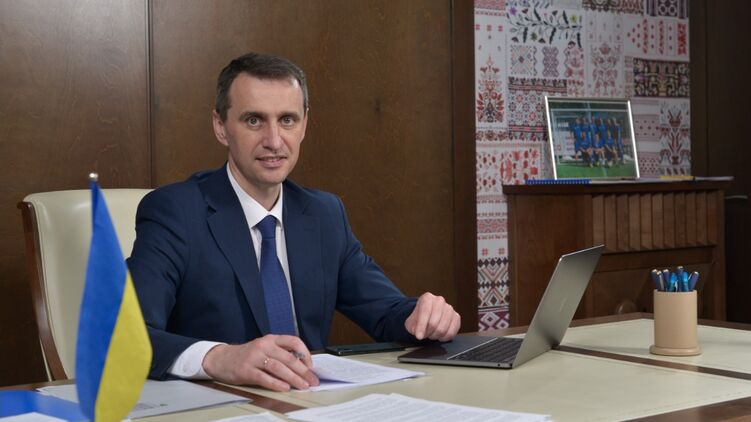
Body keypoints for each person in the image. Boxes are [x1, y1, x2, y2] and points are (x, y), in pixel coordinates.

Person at [127, 52, 461, 392]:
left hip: (309, 402)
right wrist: (220, 357)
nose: (274, 141)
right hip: (222, 404)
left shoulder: (324, 214)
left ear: (304, 125)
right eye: (254, 121)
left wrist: (424, 317)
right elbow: (126, 335)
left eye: (287, 120)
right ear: (221, 127)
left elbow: (387, 312)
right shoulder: (176, 212)